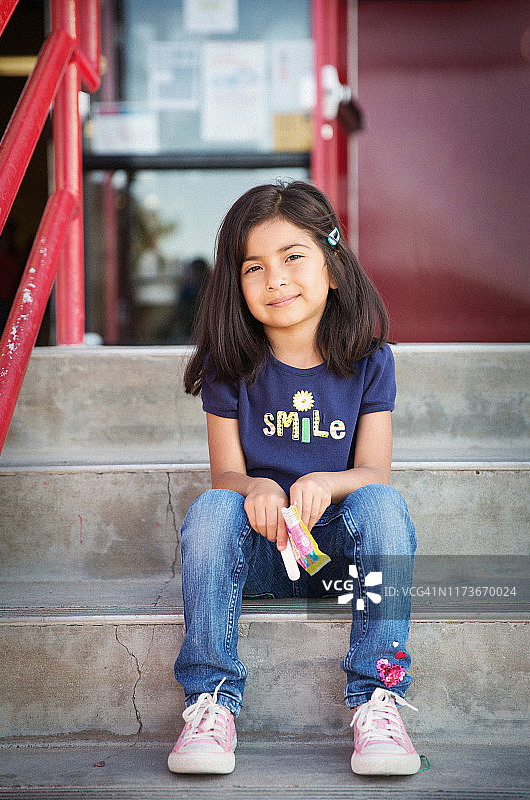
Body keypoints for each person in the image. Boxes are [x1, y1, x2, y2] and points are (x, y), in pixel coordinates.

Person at [168, 181, 420, 777]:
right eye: (254, 267)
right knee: (210, 511)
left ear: (333, 267)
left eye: (292, 257)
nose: (275, 279)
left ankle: (377, 699)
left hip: (336, 559)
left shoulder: (370, 359)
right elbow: (225, 472)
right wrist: (254, 486)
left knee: (384, 506)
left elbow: (373, 472)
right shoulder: (230, 365)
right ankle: (210, 699)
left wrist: (328, 483)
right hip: (259, 557)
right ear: (236, 285)